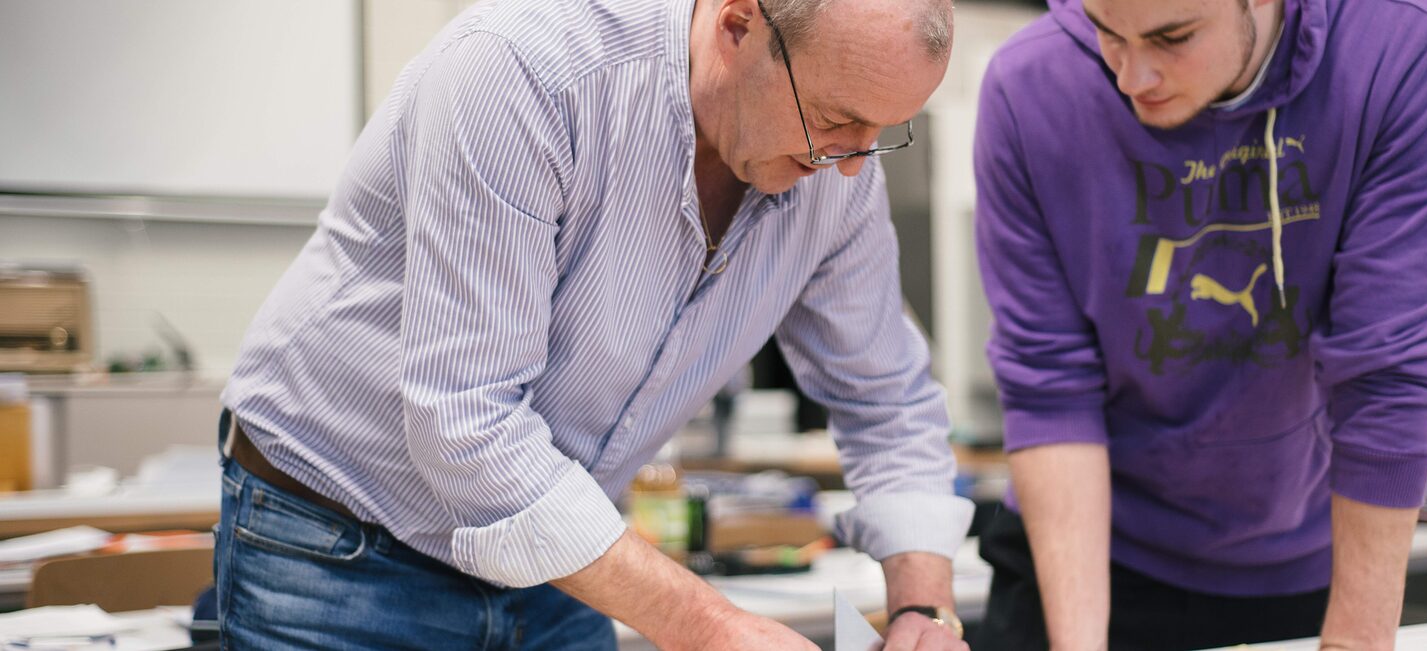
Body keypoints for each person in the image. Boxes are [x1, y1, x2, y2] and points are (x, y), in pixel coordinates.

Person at [213, 0, 974, 649]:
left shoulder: (838, 168)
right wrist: (709, 624)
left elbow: (888, 401)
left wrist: (921, 605)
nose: (850, 163)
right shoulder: (523, 72)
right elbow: (466, 423)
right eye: (839, 119)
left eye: (883, 130)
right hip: (338, 540)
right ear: (739, 23)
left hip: (553, 559)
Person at [971, 0, 1427, 649]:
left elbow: (1387, 372)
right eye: (1106, 33)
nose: (1131, 76)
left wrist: (1356, 639)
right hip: (1086, 558)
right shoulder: (1031, 84)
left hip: (1301, 564)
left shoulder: (1398, 51)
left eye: (1171, 38)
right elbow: (1050, 389)